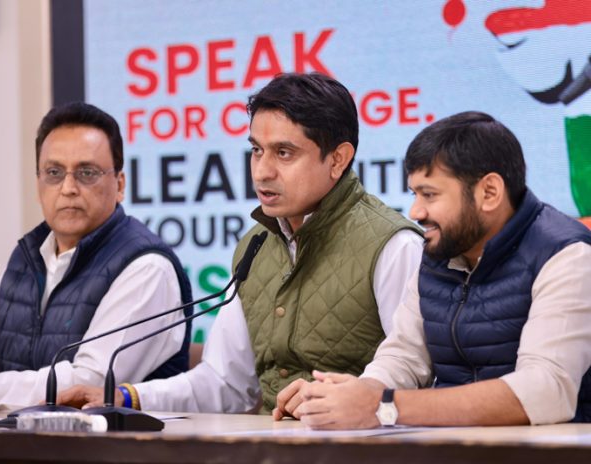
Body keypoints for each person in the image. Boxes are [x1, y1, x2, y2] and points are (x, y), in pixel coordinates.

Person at [56, 72, 424, 414]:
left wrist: (360, 399)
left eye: (284, 153)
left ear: (338, 159)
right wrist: (125, 396)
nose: (262, 171)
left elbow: (411, 369)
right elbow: (224, 383)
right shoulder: (256, 245)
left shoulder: (394, 246)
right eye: (257, 150)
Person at [282, 111, 591, 429]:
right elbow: (404, 355)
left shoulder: (567, 254)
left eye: (429, 194)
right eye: (415, 194)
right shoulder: (439, 252)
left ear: (489, 193)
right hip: (454, 449)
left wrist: (383, 407)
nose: (416, 211)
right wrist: (350, 396)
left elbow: (546, 391)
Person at [0, 102, 192, 413]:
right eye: (53, 173)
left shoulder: (147, 267)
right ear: (38, 185)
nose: (68, 188)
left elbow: (85, 385)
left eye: (87, 173)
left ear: (119, 185)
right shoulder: (27, 259)